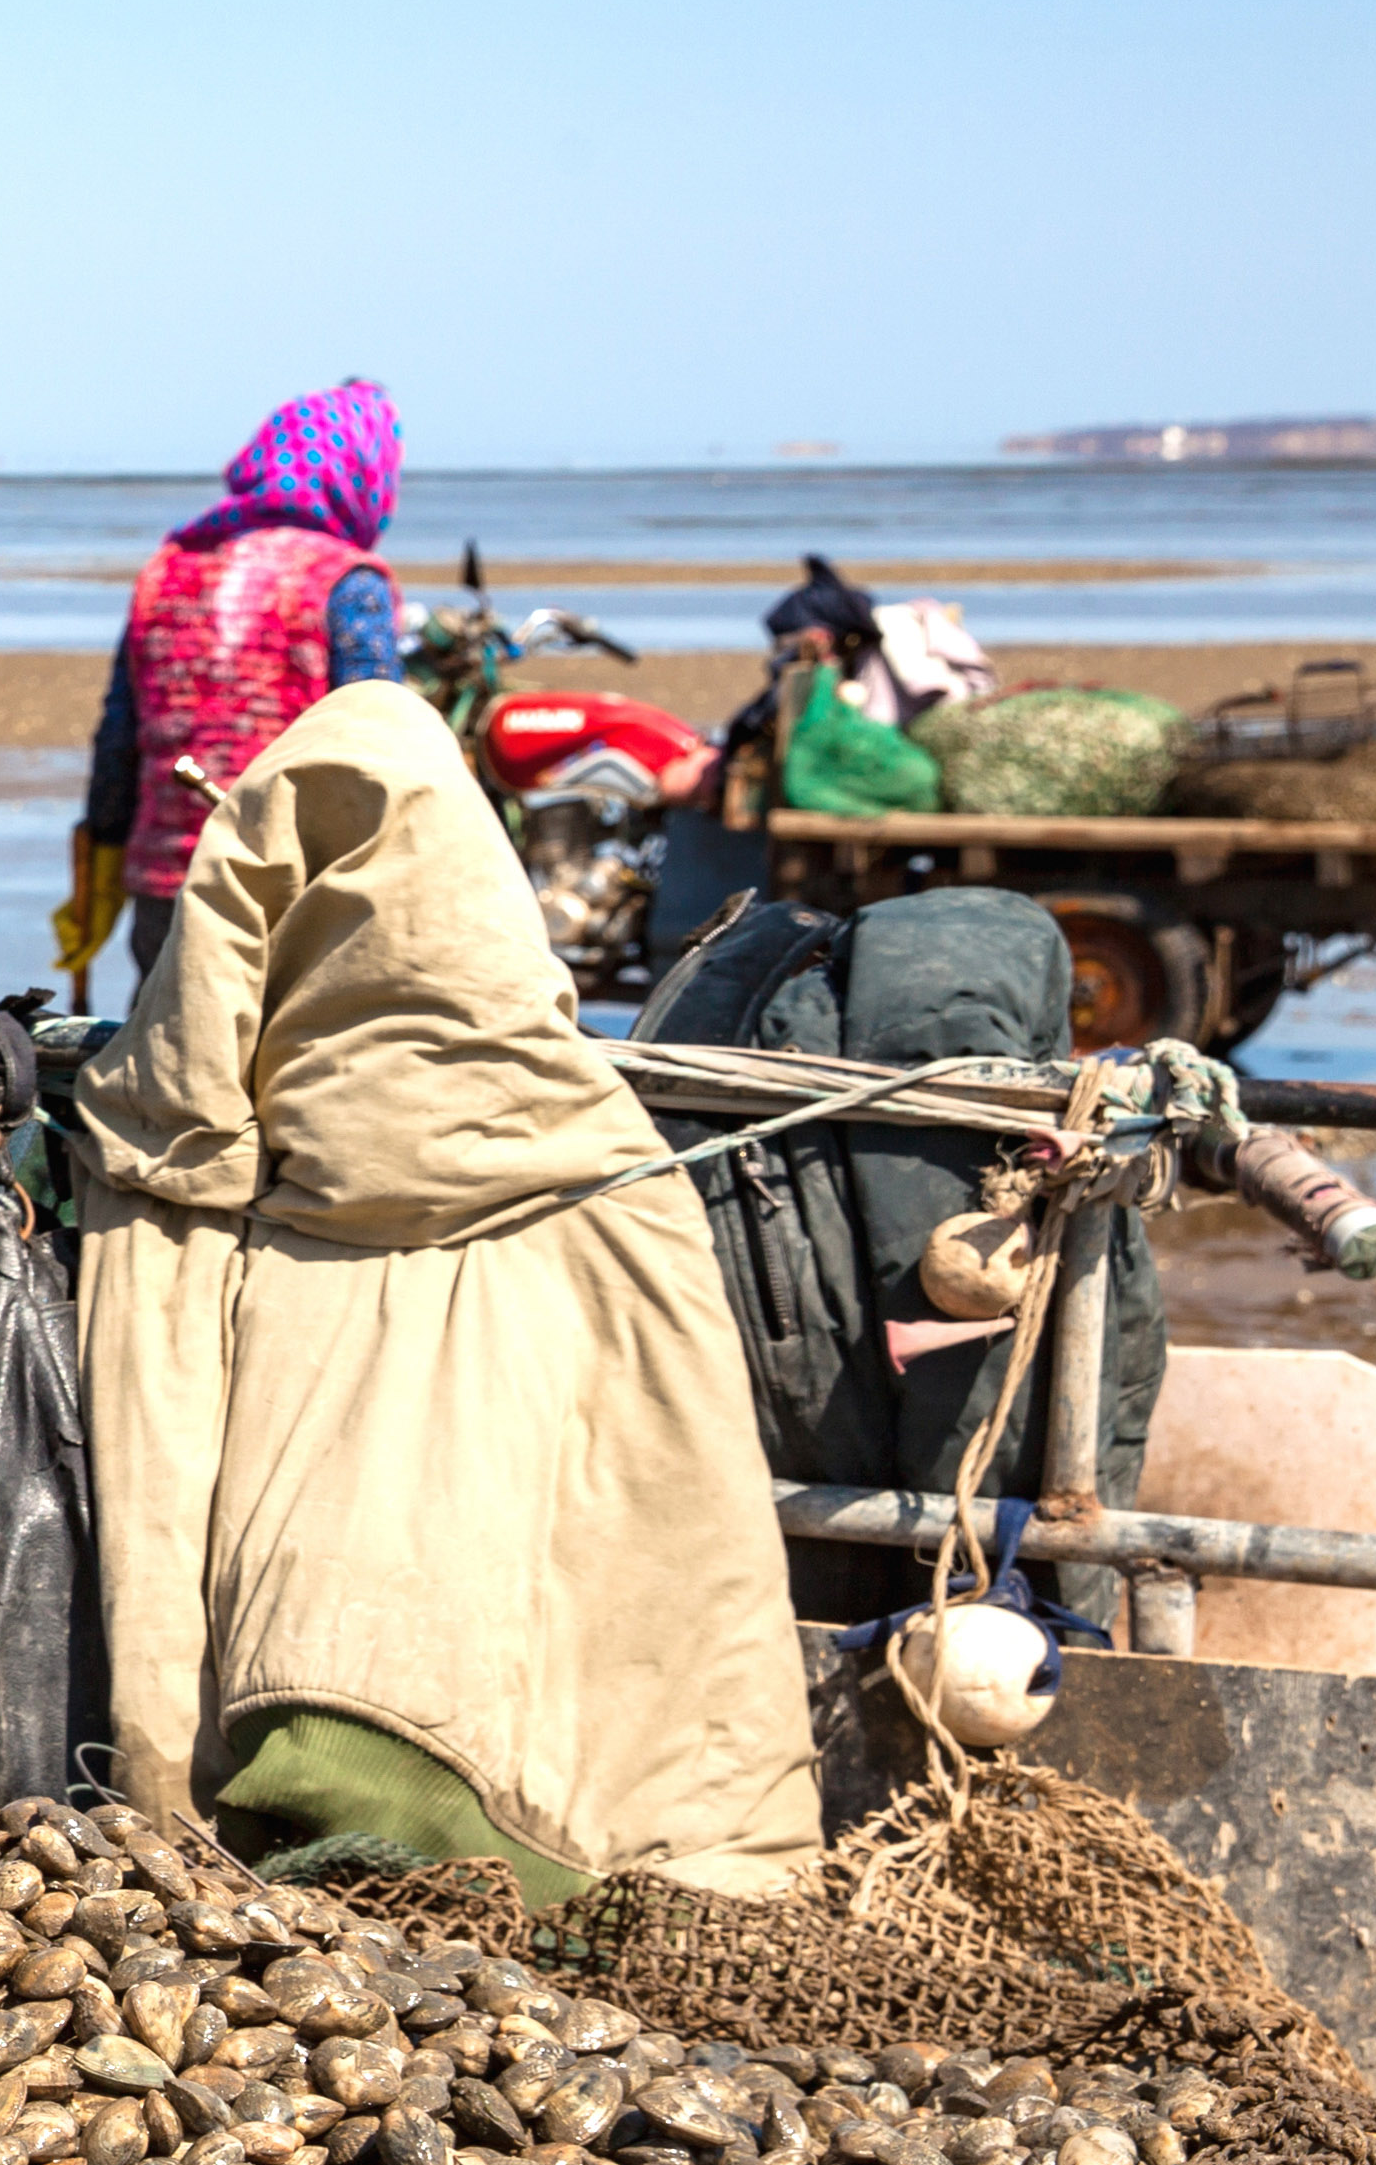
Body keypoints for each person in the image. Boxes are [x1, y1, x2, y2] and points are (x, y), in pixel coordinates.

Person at [71, 673, 820, 1905]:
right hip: (566, 1821)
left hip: (274, 1739)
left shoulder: (170, 1165)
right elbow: (690, 1525)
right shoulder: (611, 1172)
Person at [56, 382, 406, 990]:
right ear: (364, 475)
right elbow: (380, 744)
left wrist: (103, 856)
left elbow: (118, 737)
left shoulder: (170, 569)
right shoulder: (347, 581)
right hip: (296, 886)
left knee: (168, 1057)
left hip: (169, 880)